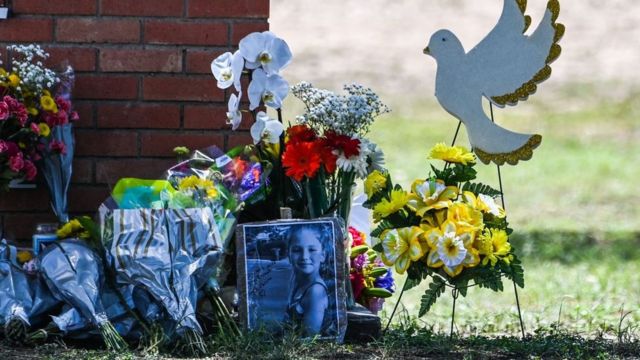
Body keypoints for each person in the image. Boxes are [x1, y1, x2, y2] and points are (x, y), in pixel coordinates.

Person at [286, 226, 330, 336]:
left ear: (323, 255)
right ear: (289, 255)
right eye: (297, 250)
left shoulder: (316, 291)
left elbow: (308, 337)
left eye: (312, 250)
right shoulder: (298, 281)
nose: (304, 256)